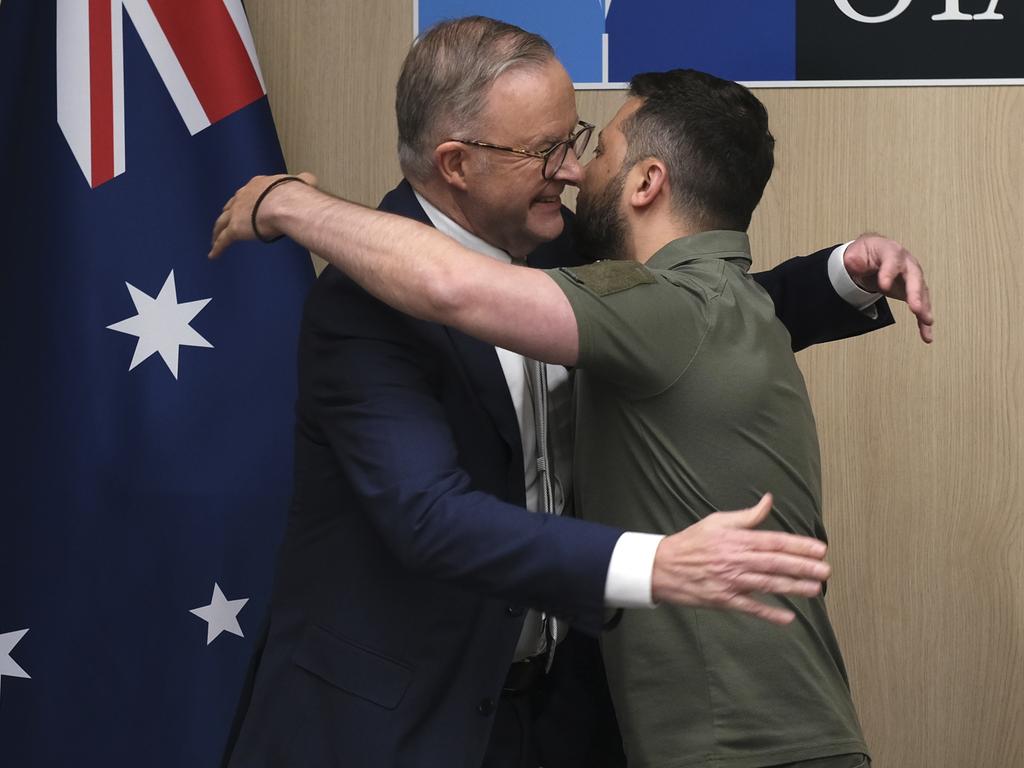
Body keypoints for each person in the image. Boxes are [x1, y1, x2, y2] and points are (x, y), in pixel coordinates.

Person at [213, 17, 931, 768]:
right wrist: (653, 564)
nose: (572, 169)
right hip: (401, 721)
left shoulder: (562, 238)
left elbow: (696, 325)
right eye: (545, 150)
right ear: (457, 163)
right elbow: (428, 518)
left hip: (560, 717)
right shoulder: (357, 305)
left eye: (576, 137)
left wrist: (841, 275)